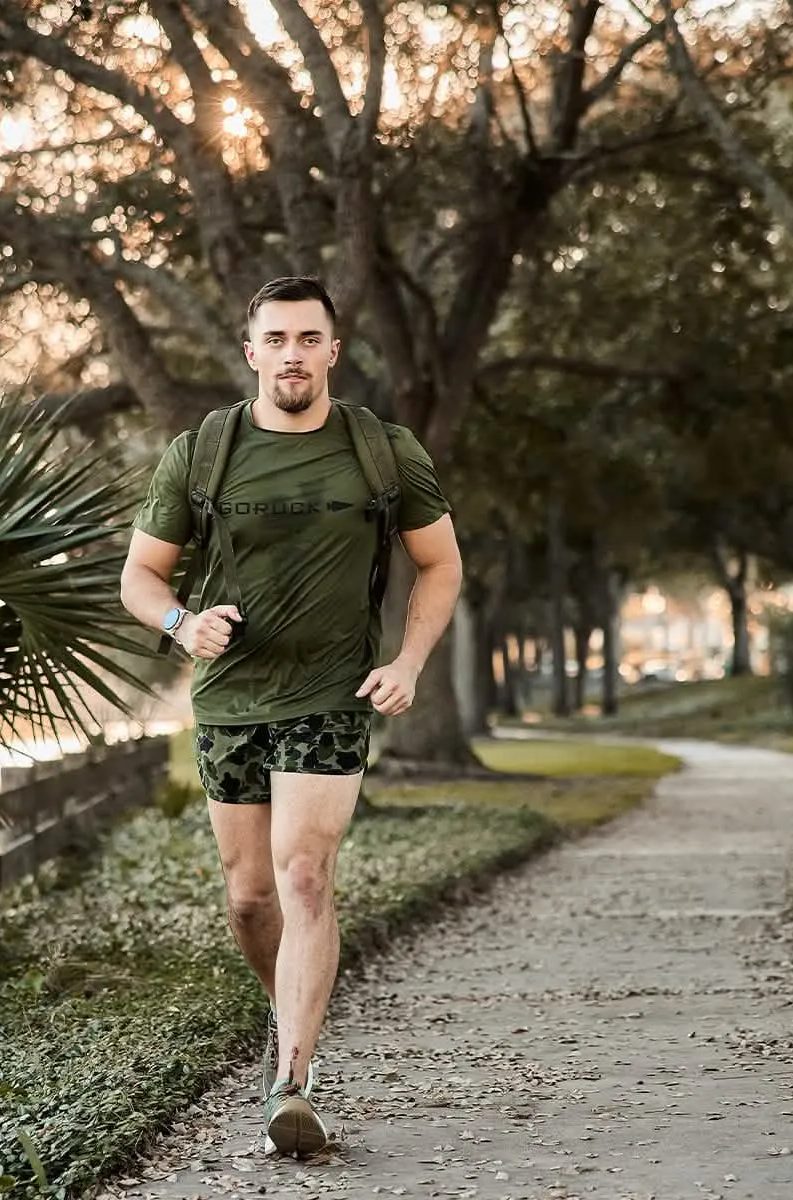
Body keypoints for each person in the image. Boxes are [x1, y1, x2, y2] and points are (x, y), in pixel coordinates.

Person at [120, 275, 462, 1158]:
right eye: (276, 340)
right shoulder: (205, 453)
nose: (292, 355)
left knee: (305, 874)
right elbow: (141, 579)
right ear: (251, 352)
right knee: (248, 898)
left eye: (308, 339)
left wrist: (408, 662)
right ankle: (293, 1017)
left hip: (334, 692)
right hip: (230, 698)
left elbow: (441, 565)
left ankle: (292, 1080)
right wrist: (181, 623)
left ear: (334, 350)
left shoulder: (381, 450)